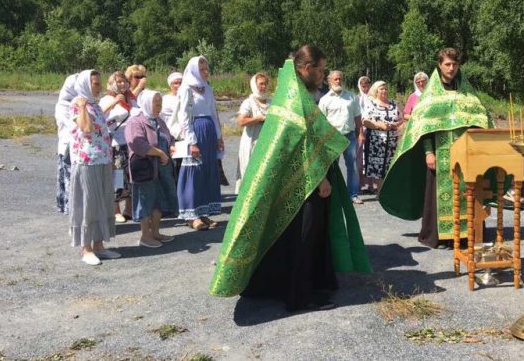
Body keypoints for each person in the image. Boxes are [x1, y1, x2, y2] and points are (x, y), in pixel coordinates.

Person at [209, 46, 371, 312]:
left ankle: (295, 286)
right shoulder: (295, 98)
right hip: (306, 181)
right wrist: (321, 180)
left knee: (295, 236)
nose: (323, 75)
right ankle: (299, 297)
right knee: (303, 237)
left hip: (299, 178)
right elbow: (302, 143)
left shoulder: (293, 92)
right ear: (306, 68)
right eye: (320, 70)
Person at [379, 48, 493, 248]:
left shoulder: (467, 93)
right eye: (447, 64)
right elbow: (423, 127)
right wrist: (428, 152)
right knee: (437, 197)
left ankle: (467, 234)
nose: (451, 68)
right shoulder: (431, 95)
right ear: (439, 65)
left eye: (454, 64)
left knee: (468, 193)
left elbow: (482, 119)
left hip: (466, 155)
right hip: (440, 154)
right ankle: (440, 235)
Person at [68, 69, 120, 265]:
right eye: (95, 84)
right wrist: (82, 107)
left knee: (103, 201)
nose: (98, 87)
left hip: (103, 158)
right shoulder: (77, 105)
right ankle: (86, 248)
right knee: (88, 203)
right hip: (86, 160)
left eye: (99, 83)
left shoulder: (96, 105)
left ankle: (99, 246)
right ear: (84, 85)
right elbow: (87, 128)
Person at [175, 55, 223, 231]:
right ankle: (192, 215)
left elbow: (212, 112)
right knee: (194, 171)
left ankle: (203, 212)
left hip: (208, 131)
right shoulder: (186, 88)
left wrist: (218, 136)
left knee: (207, 171)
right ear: (194, 70)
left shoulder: (207, 88)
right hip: (195, 131)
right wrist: (192, 141)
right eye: (202, 69)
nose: (205, 72)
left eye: (206, 68)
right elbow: (184, 117)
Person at [125, 90, 179, 248]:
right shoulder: (136, 122)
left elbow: (170, 137)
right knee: (145, 200)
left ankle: (155, 231)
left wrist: (172, 145)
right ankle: (145, 235)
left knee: (160, 200)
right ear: (147, 103)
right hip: (146, 169)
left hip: (162, 169)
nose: (159, 107)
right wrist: (160, 153)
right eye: (156, 104)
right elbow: (137, 144)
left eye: (160, 104)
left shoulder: (159, 121)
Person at [318, 71, 364, 204]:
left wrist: (360, 133)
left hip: (349, 135)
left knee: (353, 166)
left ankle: (353, 194)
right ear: (329, 81)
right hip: (332, 137)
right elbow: (321, 121)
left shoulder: (351, 97)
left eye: (340, 79)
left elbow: (357, 117)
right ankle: (334, 195)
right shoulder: (325, 100)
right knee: (333, 168)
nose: (338, 81)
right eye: (335, 79)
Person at [99, 71, 135, 222]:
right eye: (118, 82)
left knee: (132, 175)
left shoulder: (131, 98)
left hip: (131, 142)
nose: (122, 84)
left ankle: (129, 207)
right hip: (116, 143)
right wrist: (114, 102)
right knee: (118, 176)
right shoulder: (107, 98)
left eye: (124, 81)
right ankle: (115, 209)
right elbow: (99, 116)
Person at [361, 81, 402, 193]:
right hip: (376, 140)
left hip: (392, 140)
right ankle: (380, 192)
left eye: (385, 89)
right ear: (376, 91)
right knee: (378, 166)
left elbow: (401, 119)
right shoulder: (371, 103)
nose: (384, 91)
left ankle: (390, 192)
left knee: (390, 165)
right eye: (381, 89)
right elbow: (365, 121)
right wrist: (380, 125)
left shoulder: (394, 103)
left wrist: (394, 125)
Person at [235, 72, 271, 194]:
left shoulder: (271, 102)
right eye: (261, 84)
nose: (264, 86)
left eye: (266, 84)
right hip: (252, 141)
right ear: (254, 85)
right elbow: (241, 121)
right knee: (251, 173)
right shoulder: (249, 102)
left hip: (267, 142)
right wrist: (258, 119)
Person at [54, 72, 78, 214]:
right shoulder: (63, 105)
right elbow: (72, 126)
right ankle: (72, 216)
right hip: (68, 148)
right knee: (70, 183)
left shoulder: (84, 103)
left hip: (78, 148)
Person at [356, 76, 377, 193]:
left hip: (372, 128)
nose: (365, 89)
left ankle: (371, 184)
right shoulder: (357, 98)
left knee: (370, 157)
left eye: (367, 86)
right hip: (360, 129)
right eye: (363, 86)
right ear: (360, 86)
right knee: (359, 159)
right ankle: (359, 185)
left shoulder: (373, 98)